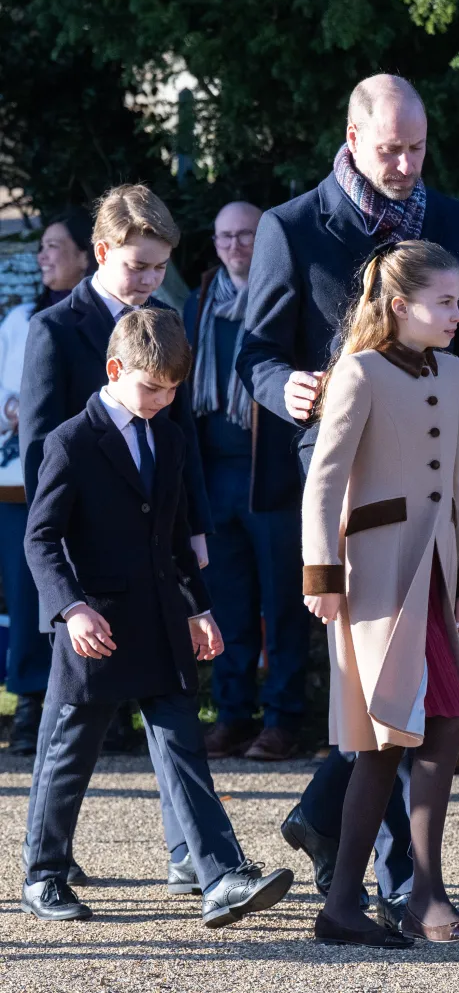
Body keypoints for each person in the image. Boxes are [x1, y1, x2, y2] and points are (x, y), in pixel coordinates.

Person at [238, 73, 459, 930]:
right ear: (352, 138)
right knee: (389, 709)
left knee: (409, 710)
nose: (404, 163)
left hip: (434, 500)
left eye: (417, 147)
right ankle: (396, 884)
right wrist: (288, 389)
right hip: (350, 496)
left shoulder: (451, 217)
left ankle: (353, 854)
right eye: (389, 148)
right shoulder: (289, 227)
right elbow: (255, 352)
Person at [21, 307, 293, 924]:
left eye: (173, 389)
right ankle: (43, 875)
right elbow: (40, 539)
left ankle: (220, 876)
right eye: (152, 386)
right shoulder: (70, 441)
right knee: (68, 752)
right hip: (95, 628)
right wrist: (71, 608)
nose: (163, 399)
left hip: (162, 620)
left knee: (181, 744)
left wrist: (200, 609)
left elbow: (172, 538)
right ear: (115, 370)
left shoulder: (168, 436)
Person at [19, 184, 213, 892]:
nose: (150, 281)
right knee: (72, 717)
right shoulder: (57, 328)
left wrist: (195, 539)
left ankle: (188, 851)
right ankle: (49, 854)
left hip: (155, 555)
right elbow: (44, 454)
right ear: (101, 253)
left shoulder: (166, 325)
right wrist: (65, 593)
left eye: (160, 267)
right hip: (78, 559)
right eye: (138, 266)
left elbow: (180, 444)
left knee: (168, 703)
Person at [303, 240, 459, 948]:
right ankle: (381, 899)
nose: (457, 315)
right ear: (401, 305)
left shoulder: (458, 369)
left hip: (434, 576)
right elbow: (324, 479)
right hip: (375, 576)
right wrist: (322, 573)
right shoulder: (359, 373)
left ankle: (393, 897)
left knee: (436, 724)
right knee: (387, 736)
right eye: (445, 302)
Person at [184, 201, 308, 761]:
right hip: (214, 478)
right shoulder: (199, 303)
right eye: (224, 236)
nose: (235, 246)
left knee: (284, 605)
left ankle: (283, 720)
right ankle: (232, 716)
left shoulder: (283, 301)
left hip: (272, 477)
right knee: (229, 604)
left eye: (247, 235)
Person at [0, 210, 95, 755]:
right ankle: (31, 703)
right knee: (29, 589)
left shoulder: (109, 317)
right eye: (41, 247)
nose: (44, 256)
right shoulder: (20, 320)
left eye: (55, 246)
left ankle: (105, 703)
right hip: (23, 483)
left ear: (87, 255)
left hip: (99, 478)